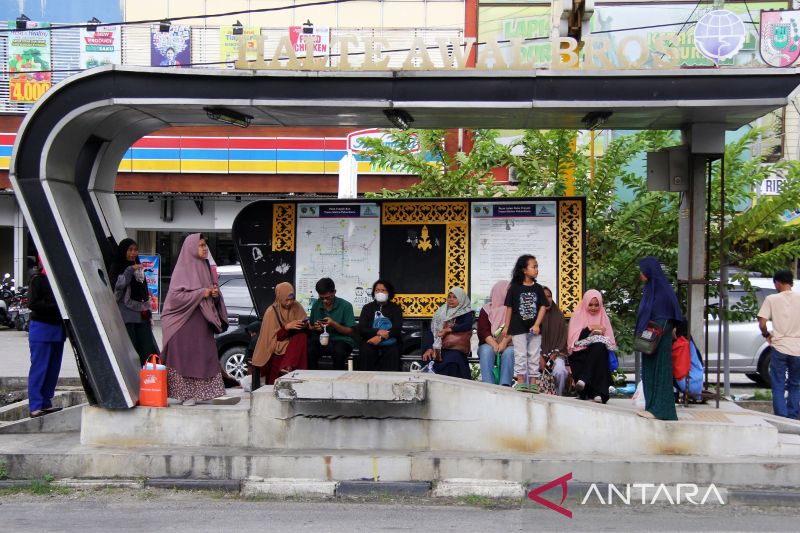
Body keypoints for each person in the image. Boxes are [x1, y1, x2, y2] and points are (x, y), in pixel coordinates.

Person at [161, 233, 239, 406]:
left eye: (205, 245)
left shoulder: (205, 267)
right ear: (191, 248)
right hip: (182, 322)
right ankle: (185, 395)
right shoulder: (183, 268)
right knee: (185, 359)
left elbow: (211, 293)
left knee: (205, 356)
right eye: (201, 245)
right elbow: (175, 297)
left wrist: (214, 294)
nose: (205, 248)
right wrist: (202, 293)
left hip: (201, 322)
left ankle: (205, 393)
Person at [635, 257, 684, 420]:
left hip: (658, 336)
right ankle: (652, 406)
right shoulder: (653, 287)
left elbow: (668, 314)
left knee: (659, 370)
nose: (640, 273)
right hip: (652, 336)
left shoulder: (661, 289)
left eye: (642, 270)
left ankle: (660, 410)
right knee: (650, 370)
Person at [109, 238, 159, 366]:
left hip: (142, 316)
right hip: (127, 317)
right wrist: (130, 270)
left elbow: (144, 291)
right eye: (130, 250)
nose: (133, 253)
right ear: (123, 251)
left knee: (147, 350)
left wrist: (149, 312)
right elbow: (117, 286)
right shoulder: (117, 266)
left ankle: (148, 380)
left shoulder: (139, 267)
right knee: (132, 352)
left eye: (135, 250)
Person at [758, 270, 800, 420]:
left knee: (778, 383)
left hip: (779, 346)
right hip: (798, 348)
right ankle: (794, 416)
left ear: (778, 282)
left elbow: (762, 323)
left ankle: (781, 416)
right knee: (796, 383)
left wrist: (766, 334)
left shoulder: (772, 299)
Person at [27, 258, 66, 418]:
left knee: (53, 369)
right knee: (40, 368)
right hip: (41, 328)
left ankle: (46, 402)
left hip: (57, 330)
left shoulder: (60, 279)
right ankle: (35, 405)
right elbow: (33, 304)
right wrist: (55, 303)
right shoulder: (38, 280)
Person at [503, 254, 547, 390]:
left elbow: (542, 307)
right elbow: (509, 309)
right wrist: (506, 327)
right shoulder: (514, 288)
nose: (536, 269)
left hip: (535, 328)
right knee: (520, 354)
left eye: (537, 267)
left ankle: (533, 383)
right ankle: (521, 381)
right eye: (533, 267)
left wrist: (537, 324)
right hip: (518, 327)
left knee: (534, 354)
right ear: (524, 270)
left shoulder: (538, 288)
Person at [252, 282, 309, 386]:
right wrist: (287, 327)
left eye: (291, 299)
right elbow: (271, 338)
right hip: (278, 344)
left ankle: (288, 366)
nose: (289, 302)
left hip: (293, 341)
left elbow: (304, 325)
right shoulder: (271, 312)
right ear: (280, 297)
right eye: (286, 300)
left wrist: (303, 324)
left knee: (302, 337)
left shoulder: (296, 306)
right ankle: (285, 368)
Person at [567, 289, 616, 403]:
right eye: (590, 305)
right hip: (580, 353)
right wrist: (589, 328)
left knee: (599, 346)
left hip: (598, 353)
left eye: (596, 305)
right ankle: (595, 392)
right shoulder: (577, 315)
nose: (593, 308)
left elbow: (610, 342)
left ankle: (586, 381)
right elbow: (573, 341)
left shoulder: (603, 316)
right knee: (597, 349)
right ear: (585, 303)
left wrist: (600, 332)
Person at [422, 287, 473, 379]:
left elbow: (467, 325)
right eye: (449, 297)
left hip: (455, 347)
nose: (451, 299)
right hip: (438, 347)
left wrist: (449, 329)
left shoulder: (466, 312)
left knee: (452, 360)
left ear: (461, 298)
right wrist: (429, 348)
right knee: (427, 358)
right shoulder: (441, 311)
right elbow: (432, 330)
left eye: (455, 297)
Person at [308, 278, 356, 370]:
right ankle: (313, 377)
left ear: (334, 292)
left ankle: (338, 380)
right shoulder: (316, 305)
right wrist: (315, 327)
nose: (325, 301)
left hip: (342, 340)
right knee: (310, 349)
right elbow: (311, 326)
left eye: (328, 297)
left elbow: (350, 331)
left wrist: (334, 324)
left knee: (339, 351)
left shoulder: (346, 306)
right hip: (322, 340)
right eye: (321, 298)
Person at [357, 279, 404, 371]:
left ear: (389, 292)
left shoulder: (395, 308)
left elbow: (397, 328)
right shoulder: (367, 308)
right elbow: (362, 328)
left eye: (383, 290)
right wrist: (377, 332)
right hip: (370, 339)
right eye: (377, 290)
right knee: (366, 351)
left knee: (393, 352)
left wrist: (380, 338)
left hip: (390, 340)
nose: (379, 292)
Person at [477, 280, 514, 386]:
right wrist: (495, 345)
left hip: (510, 343)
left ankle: (505, 385)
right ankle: (488, 386)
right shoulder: (486, 309)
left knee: (509, 353)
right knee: (486, 351)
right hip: (489, 343)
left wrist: (504, 343)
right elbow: (483, 331)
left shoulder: (514, 309)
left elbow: (516, 329)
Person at [540, 286, 570, 396]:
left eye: (549, 296)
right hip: (535, 355)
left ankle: (559, 396)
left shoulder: (559, 315)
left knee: (560, 371)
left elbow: (563, 337)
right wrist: (539, 356)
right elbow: (530, 338)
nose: (547, 299)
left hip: (557, 354)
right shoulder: (533, 316)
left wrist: (555, 353)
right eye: (543, 296)